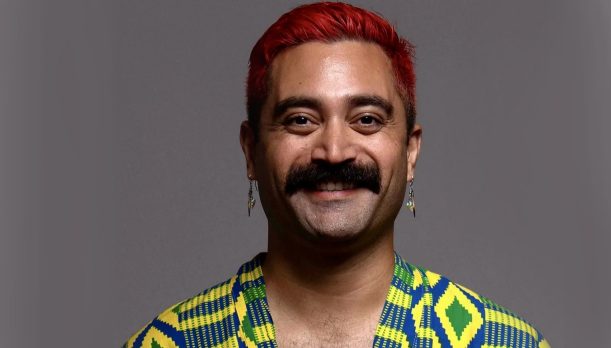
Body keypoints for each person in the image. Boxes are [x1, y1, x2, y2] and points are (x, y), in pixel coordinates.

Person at [125, 2, 550, 347]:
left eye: (366, 120)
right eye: (301, 120)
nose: (333, 151)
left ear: (410, 150)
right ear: (251, 151)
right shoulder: (170, 342)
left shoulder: (503, 342)